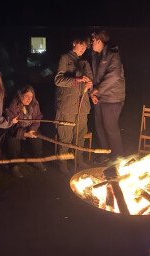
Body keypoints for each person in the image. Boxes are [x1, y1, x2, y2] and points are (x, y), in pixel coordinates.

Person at [54, 37, 93, 174]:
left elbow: (90, 80)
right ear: (74, 43)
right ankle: (62, 163)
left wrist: (89, 84)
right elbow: (58, 80)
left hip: (82, 105)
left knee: (80, 135)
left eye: (85, 46)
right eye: (81, 45)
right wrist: (76, 80)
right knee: (65, 135)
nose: (83, 48)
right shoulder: (65, 58)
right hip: (67, 104)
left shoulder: (84, 62)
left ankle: (78, 160)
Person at [89, 30, 126, 162]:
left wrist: (97, 90)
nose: (91, 42)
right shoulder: (95, 56)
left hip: (113, 98)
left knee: (111, 128)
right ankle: (106, 154)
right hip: (99, 98)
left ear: (99, 41)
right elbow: (93, 77)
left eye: (92, 40)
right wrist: (92, 93)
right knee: (99, 126)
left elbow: (114, 76)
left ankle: (118, 157)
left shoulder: (113, 55)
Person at [5, 85, 46, 178]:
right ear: (20, 95)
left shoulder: (35, 104)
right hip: (16, 129)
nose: (29, 99)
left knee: (37, 138)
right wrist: (24, 134)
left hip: (30, 127)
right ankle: (14, 166)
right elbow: (11, 125)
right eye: (27, 96)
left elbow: (38, 117)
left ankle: (36, 160)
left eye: (31, 96)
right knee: (12, 141)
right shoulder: (13, 105)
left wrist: (32, 130)